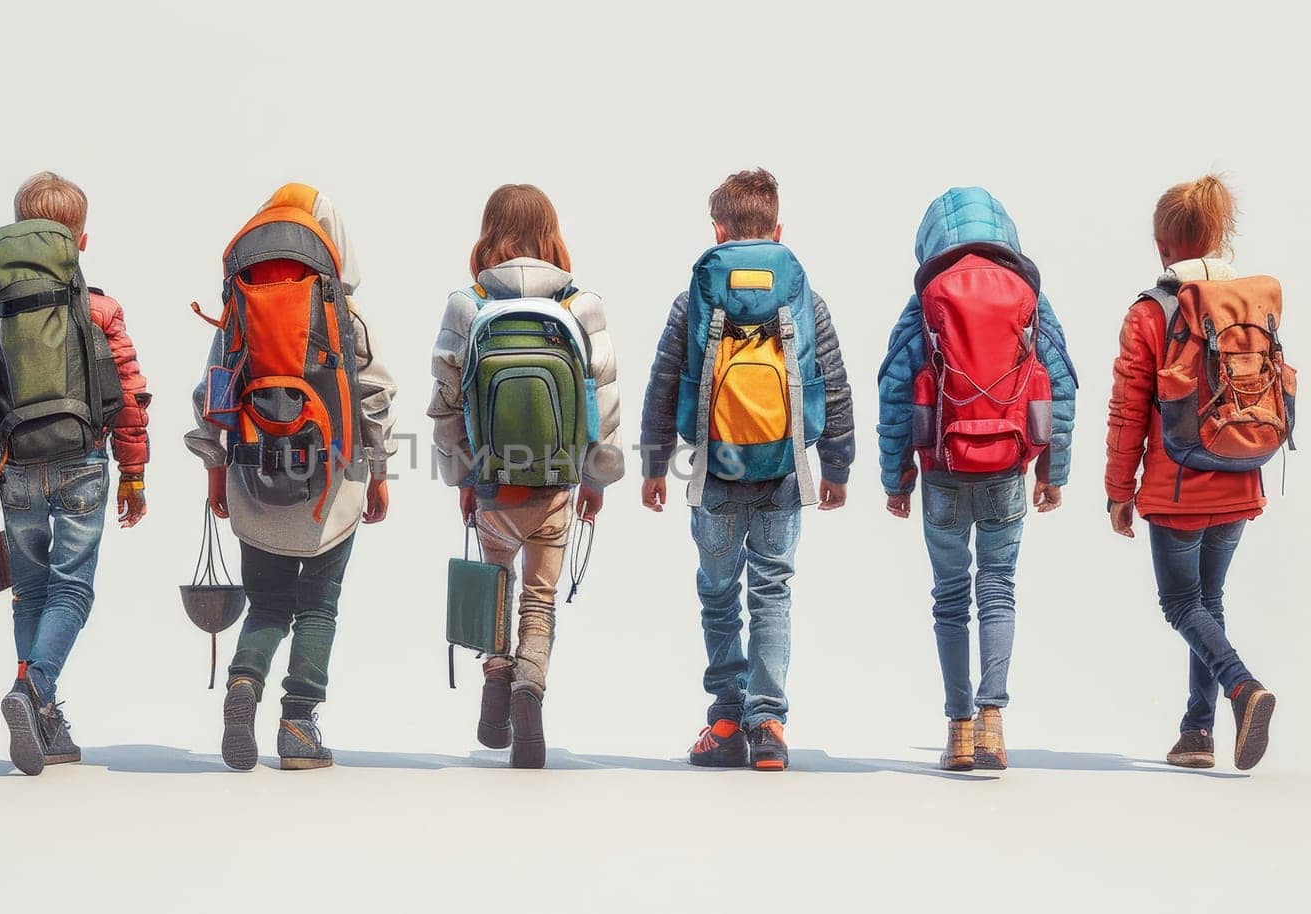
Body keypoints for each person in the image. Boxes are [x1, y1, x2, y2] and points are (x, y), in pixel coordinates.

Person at [639, 168, 854, 772]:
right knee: (772, 591)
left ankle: (728, 718)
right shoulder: (805, 298)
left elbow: (663, 384)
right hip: (785, 469)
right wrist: (836, 464)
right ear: (778, 229)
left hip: (715, 467)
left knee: (717, 594)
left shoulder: (695, 299)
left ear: (718, 230)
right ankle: (770, 727)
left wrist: (655, 464)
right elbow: (832, 384)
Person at [0, 171, 151, 775]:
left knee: (31, 592)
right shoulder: (100, 309)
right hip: (82, 461)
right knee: (73, 589)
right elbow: (129, 394)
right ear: (80, 241)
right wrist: (135, 472)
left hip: (11, 466)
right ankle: (33, 690)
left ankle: (45, 718)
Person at [187, 183, 396, 772]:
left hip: (252, 477)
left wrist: (215, 473)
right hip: (333, 484)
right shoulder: (342, 314)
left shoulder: (238, 312)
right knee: (318, 607)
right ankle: (299, 727)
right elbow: (376, 397)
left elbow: (214, 394)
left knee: (266, 605)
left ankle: (243, 684)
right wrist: (379, 474)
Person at [878, 187, 1077, 771]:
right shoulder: (1029, 298)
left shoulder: (926, 300)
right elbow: (1060, 384)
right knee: (997, 591)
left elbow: (894, 389)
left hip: (942, 470)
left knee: (949, 601)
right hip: (1007, 469)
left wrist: (899, 480)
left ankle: (958, 729)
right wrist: (1051, 470)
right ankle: (994, 721)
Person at [428, 183, 624, 769]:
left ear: (489, 233)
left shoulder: (468, 305)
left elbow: (445, 402)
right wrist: (597, 477)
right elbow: (603, 402)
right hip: (556, 488)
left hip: (493, 487)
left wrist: (461, 476)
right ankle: (529, 692)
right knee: (539, 599)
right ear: (551, 234)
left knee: (495, 586)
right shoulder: (579, 306)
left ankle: (495, 683)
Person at [1106, 174, 1286, 771]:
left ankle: (1242, 687)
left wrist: (1117, 492)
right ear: (1219, 234)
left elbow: (1129, 410)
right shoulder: (1248, 304)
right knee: (1210, 601)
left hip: (1175, 486)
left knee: (1182, 605)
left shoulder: (1151, 312)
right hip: (1241, 474)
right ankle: (1197, 733)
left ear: (1163, 245)